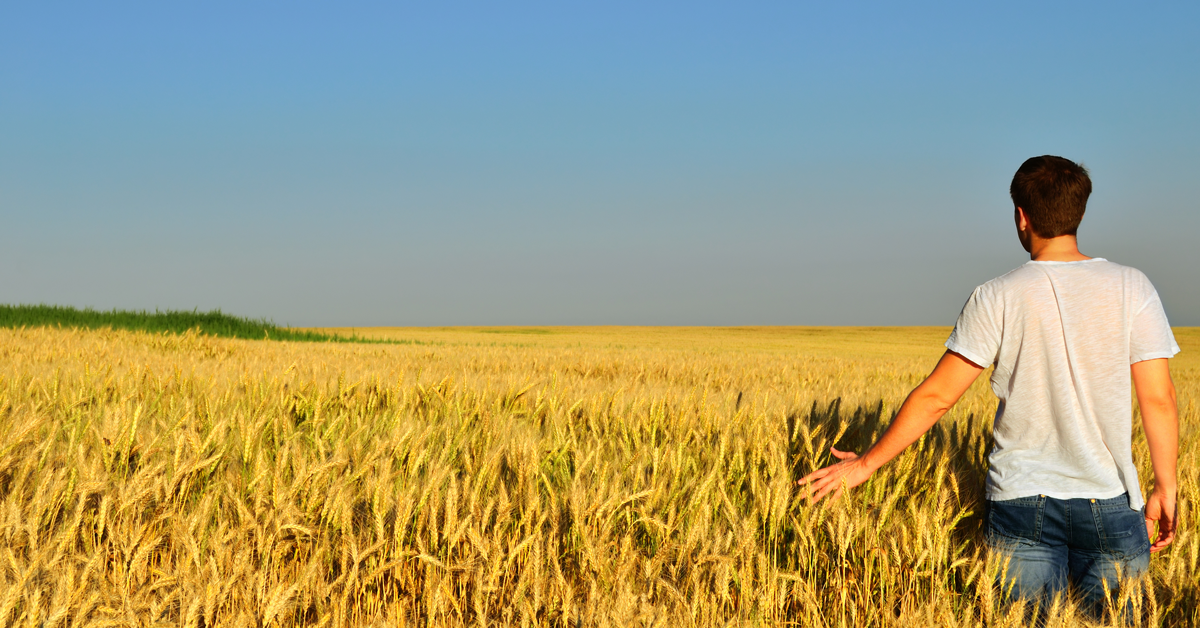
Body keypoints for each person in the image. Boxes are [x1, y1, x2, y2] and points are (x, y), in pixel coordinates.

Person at [797, 155, 1180, 618]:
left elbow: (937, 397)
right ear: (1079, 212)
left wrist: (866, 465)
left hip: (1021, 501)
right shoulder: (1132, 287)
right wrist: (1166, 486)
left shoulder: (997, 294)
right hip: (1112, 499)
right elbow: (1158, 398)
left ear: (1022, 216)